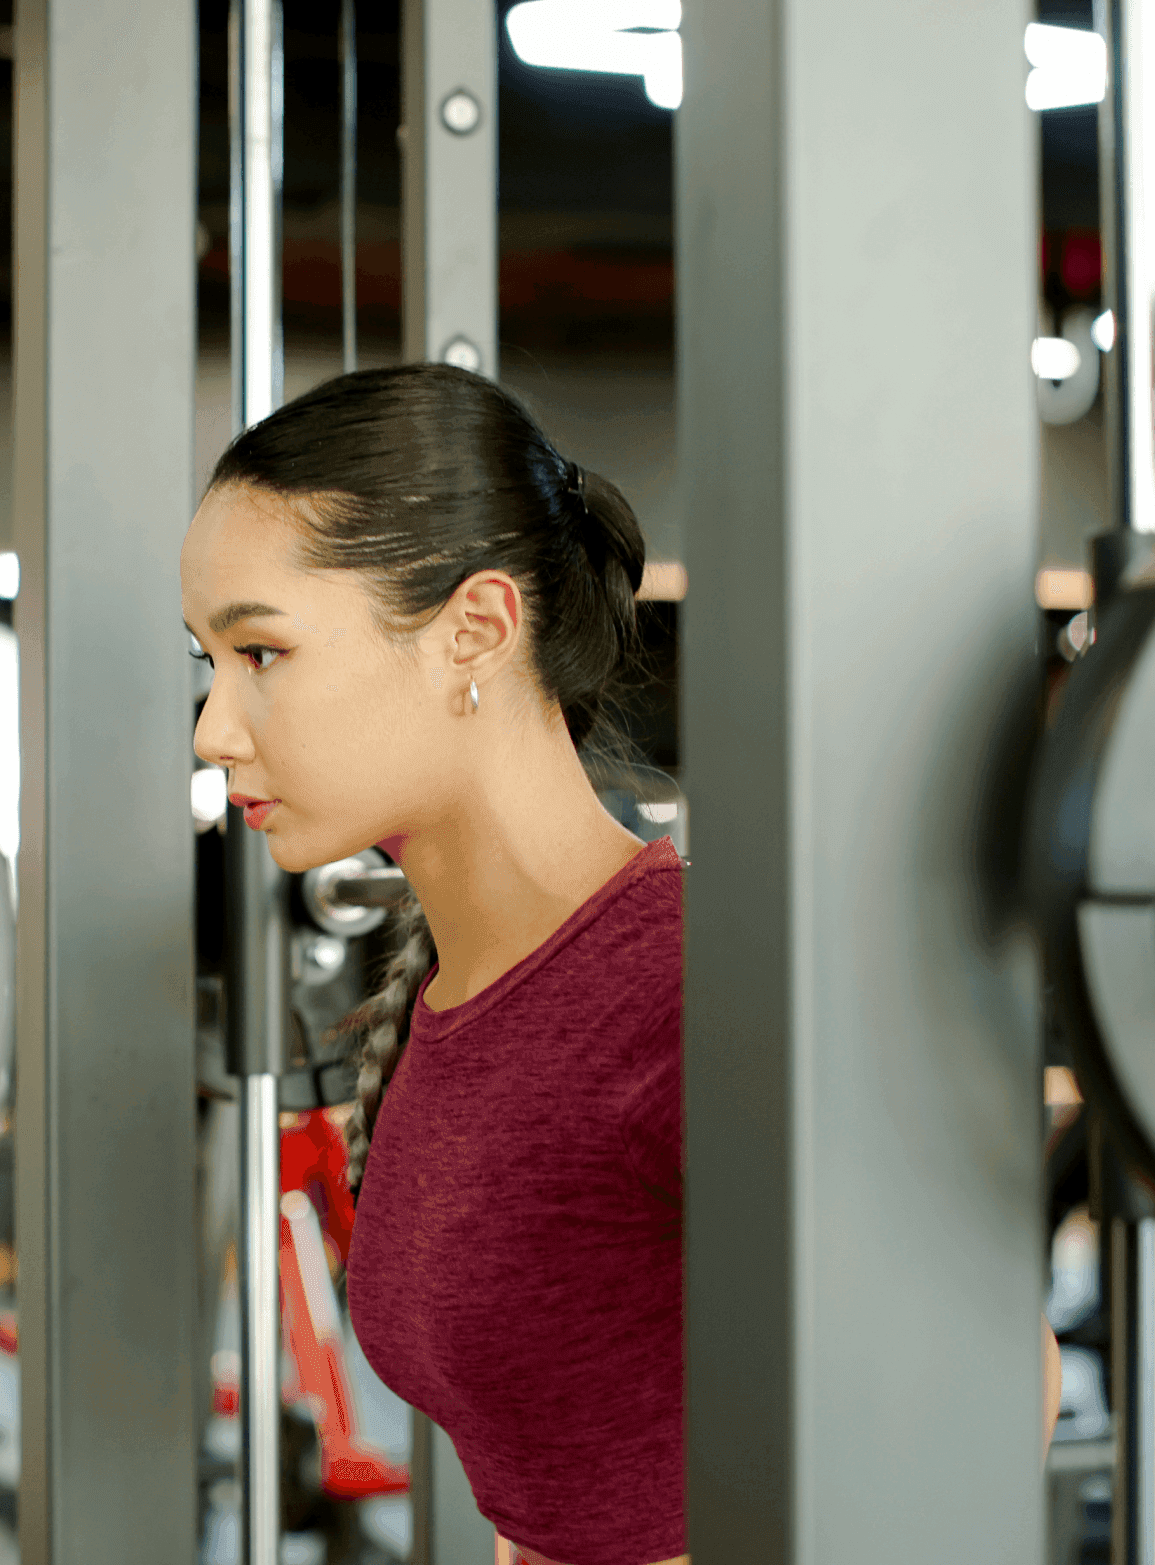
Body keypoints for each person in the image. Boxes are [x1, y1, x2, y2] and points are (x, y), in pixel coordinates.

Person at [182, 363, 1062, 1565]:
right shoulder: (457, 993)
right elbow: (561, 1493)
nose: (213, 729)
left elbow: (996, 1398)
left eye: (262, 656)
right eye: (208, 665)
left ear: (474, 632)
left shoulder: (684, 993)